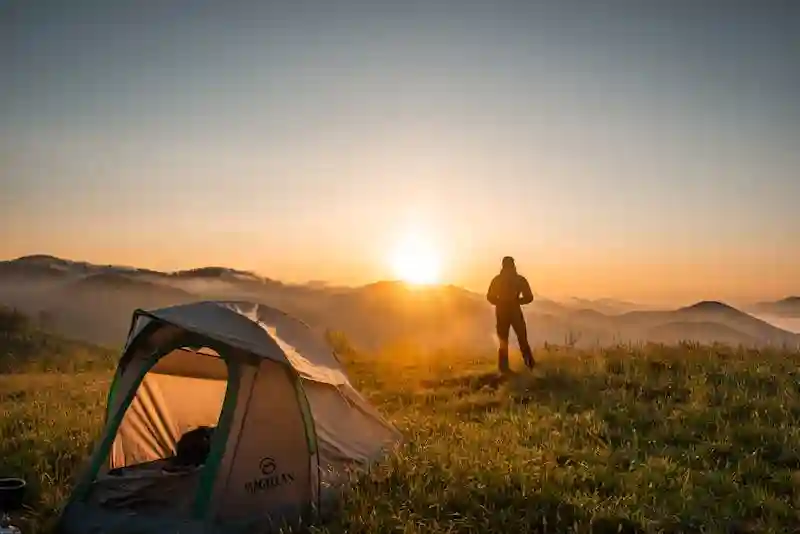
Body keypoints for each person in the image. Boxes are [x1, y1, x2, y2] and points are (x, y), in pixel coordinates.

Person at [486, 256, 535, 372]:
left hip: (502, 311)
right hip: (514, 311)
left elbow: (489, 297)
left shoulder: (497, 280)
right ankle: (530, 365)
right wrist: (516, 301)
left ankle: (504, 368)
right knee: (522, 339)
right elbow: (529, 297)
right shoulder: (519, 279)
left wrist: (500, 302)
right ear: (513, 265)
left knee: (503, 341)